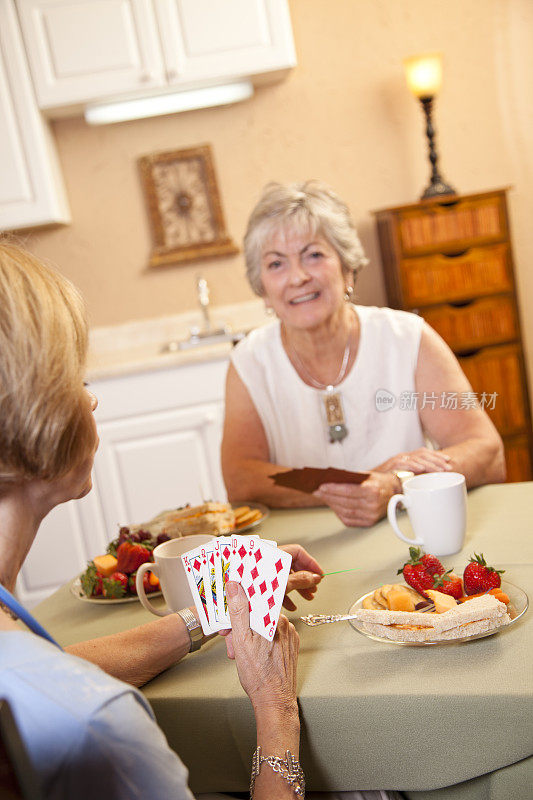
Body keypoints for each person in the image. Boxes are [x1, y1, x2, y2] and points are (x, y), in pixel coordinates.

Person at [0, 241, 324, 799]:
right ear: (32, 421)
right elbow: (67, 694)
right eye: (76, 381)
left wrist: (209, 612)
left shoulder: (30, 665)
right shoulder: (99, 727)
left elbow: (48, 667)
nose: (93, 403)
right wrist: (276, 712)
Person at [222, 181, 506, 527]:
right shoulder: (250, 362)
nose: (298, 277)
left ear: (348, 268)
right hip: (307, 547)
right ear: (262, 288)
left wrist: (397, 483)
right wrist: (357, 483)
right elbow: (241, 478)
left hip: (406, 528)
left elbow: (487, 451)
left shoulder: (407, 337)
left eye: (314, 255)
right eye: (276, 264)